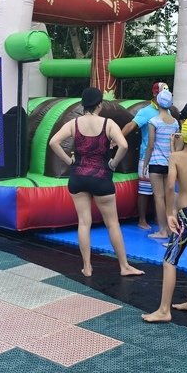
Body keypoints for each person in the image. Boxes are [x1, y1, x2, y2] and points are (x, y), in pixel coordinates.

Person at [49, 87, 144, 278]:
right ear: (100, 104)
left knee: (84, 223)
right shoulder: (108, 124)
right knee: (112, 223)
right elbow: (124, 145)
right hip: (101, 177)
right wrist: (113, 163)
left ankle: (87, 267)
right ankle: (124, 266)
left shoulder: (74, 123)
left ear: (83, 105)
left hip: (78, 176)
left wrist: (69, 162)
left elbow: (53, 142)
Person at [141, 117, 187, 323]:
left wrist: (171, 214)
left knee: (169, 261)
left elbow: (171, 186)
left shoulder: (175, 157)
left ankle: (164, 310)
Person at [122, 81, 168, 230]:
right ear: (154, 94)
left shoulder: (169, 112)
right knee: (145, 189)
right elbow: (132, 125)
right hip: (147, 156)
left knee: (161, 191)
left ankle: (157, 216)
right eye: (162, 93)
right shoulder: (146, 111)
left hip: (164, 157)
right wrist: (117, 139)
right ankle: (142, 219)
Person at [142, 89, 180, 239]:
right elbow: (176, 145)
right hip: (170, 164)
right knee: (169, 197)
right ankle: (171, 230)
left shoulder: (154, 121)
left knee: (158, 197)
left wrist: (145, 163)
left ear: (157, 102)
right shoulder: (175, 123)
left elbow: (150, 145)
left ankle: (163, 230)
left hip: (156, 162)